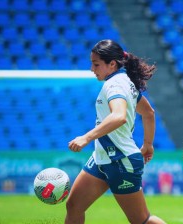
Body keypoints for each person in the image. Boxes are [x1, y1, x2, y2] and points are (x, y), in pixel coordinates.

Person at [65, 39, 165, 224]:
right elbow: (149, 113)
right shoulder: (126, 80)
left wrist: (86, 137)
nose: (91, 69)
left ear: (112, 64)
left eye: (96, 64)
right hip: (102, 158)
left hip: (120, 160)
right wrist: (148, 145)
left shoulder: (114, 85)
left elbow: (119, 116)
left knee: (142, 220)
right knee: (74, 206)